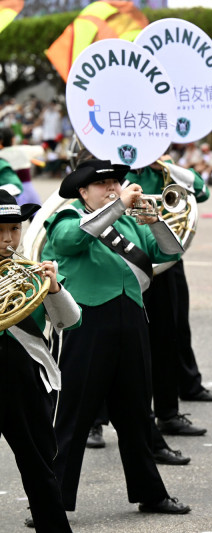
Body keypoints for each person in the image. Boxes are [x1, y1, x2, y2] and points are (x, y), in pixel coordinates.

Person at [42, 159, 190, 516]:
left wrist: (156, 223)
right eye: (103, 184)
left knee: (137, 413)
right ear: (82, 191)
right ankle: (51, 501)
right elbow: (73, 240)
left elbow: (171, 252)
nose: (113, 188)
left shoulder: (127, 222)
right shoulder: (65, 219)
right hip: (85, 323)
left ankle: (150, 493)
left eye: (115, 183)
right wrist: (119, 205)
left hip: (132, 320)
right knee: (72, 417)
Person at [0, 190, 80, 532]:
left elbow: (69, 320)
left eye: (14, 229)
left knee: (40, 465)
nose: (8, 239)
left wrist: (54, 288)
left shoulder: (28, 273)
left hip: (24, 377)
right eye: (0, 231)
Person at [123, 155, 212, 438]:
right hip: (122, 262)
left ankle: (168, 413)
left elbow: (202, 192)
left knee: (168, 335)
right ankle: (95, 424)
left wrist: (166, 167)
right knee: (116, 346)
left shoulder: (163, 170)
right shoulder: (111, 169)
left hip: (165, 261)